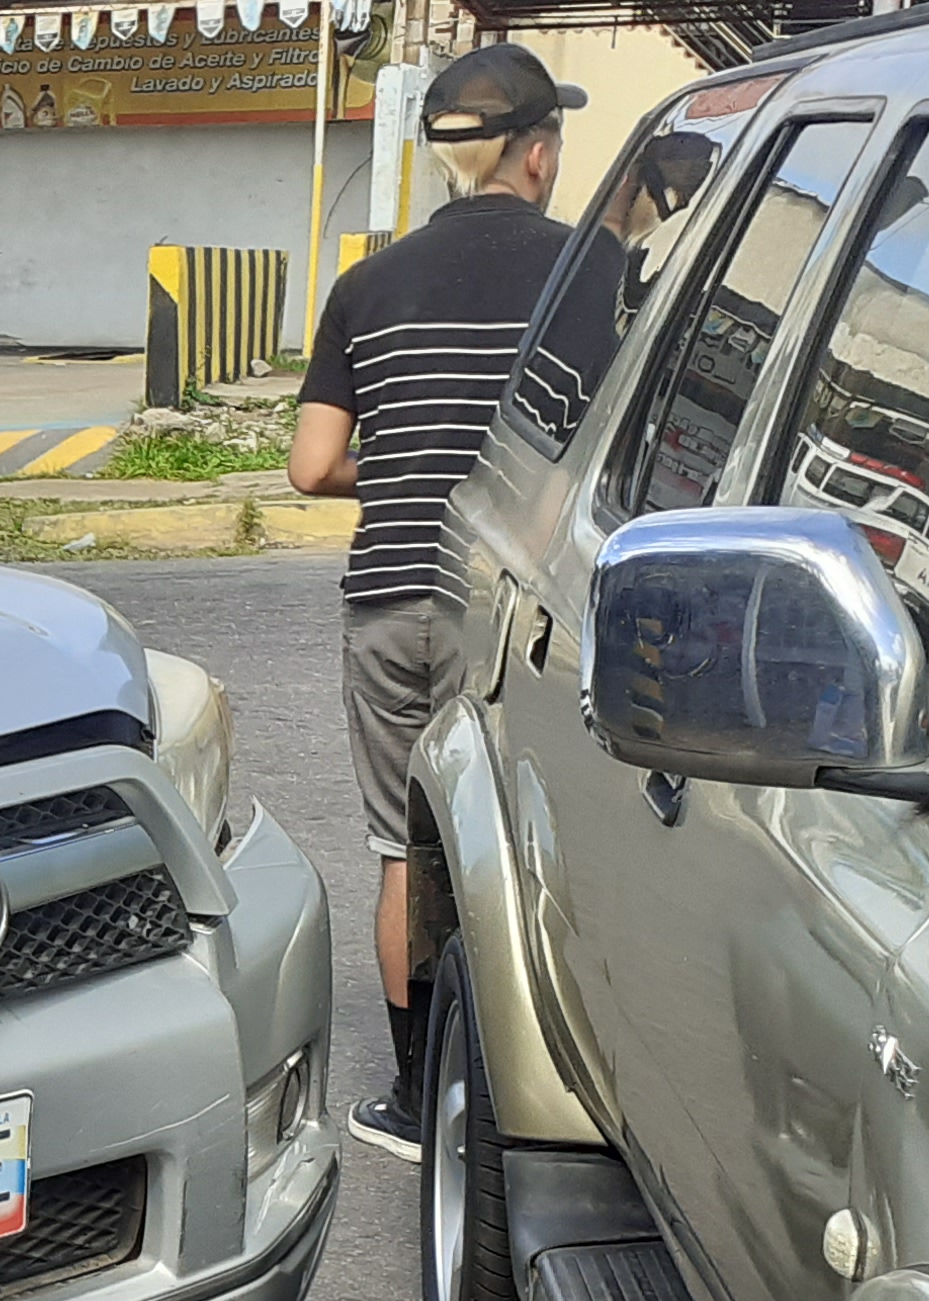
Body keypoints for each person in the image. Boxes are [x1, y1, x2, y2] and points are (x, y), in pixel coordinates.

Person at [290, 42, 582, 1160]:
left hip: (390, 601)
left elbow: (312, 467)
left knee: (401, 848)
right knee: (522, 844)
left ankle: (419, 1104)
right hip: (511, 607)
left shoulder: (367, 283)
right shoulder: (590, 272)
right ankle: (536, 1093)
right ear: (540, 155)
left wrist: (408, 463)